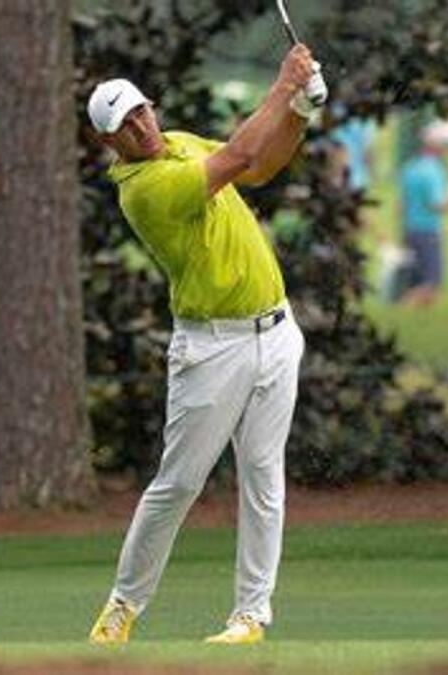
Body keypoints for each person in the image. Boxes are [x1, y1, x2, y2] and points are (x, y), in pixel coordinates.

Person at [85, 44, 325, 646]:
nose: (141, 126)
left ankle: (251, 615)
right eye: (125, 125)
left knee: (265, 477)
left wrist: (300, 110)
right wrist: (283, 85)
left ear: (151, 106)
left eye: (142, 112)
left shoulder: (182, 142)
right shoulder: (144, 188)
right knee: (180, 482)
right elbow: (241, 151)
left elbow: (260, 167)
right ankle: (122, 606)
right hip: (210, 350)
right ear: (109, 144)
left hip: (276, 333)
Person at [397, 122, 448, 308]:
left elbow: (400, 205)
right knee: (432, 282)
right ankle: (404, 308)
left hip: (409, 230)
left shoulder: (410, 167)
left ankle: (414, 316)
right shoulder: (434, 170)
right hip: (427, 231)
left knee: (417, 281)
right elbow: (435, 204)